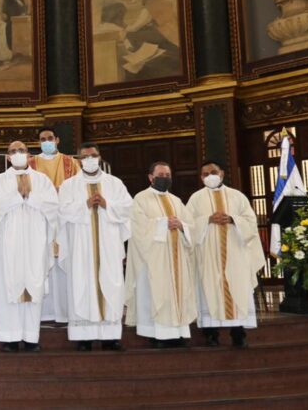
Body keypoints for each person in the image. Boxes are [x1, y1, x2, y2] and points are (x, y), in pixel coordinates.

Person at [0, 141, 58, 352]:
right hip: (9, 243)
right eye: (13, 151)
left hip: (35, 241)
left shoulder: (42, 180)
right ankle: (9, 337)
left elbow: (53, 207)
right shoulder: (0, 180)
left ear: (28, 155)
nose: (18, 154)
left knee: (32, 286)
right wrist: (18, 196)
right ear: (8, 157)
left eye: (22, 151)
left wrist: (31, 197)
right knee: (8, 286)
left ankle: (30, 337)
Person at [58, 143, 132, 351]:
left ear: (99, 156)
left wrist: (108, 204)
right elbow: (62, 212)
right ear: (79, 160)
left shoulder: (114, 183)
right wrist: (86, 204)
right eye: (85, 156)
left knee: (110, 283)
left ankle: (111, 336)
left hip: (108, 243)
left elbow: (128, 208)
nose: (90, 159)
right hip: (81, 247)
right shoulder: (69, 185)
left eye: (93, 155)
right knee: (83, 284)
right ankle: (84, 336)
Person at [187, 161, 265, 348]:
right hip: (208, 255)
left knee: (237, 289)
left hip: (235, 254)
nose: (209, 176)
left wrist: (232, 219)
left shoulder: (237, 196)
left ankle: (238, 334)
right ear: (201, 177)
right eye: (205, 174)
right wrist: (207, 220)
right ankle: (210, 334)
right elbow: (188, 224)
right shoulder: (196, 198)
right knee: (209, 290)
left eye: (213, 172)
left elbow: (250, 222)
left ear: (221, 173)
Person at [126, 162, 197, 347]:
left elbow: (190, 225)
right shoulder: (141, 199)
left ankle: (178, 334)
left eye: (167, 175)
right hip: (153, 259)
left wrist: (181, 226)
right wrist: (163, 222)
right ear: (151, 177)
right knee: (156, 294)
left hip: (176, 258)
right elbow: (137, 227)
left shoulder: (176, 200)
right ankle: (156, 335)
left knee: (177, 294)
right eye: (161, 174)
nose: (164, 178)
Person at [29, 127, 80, 324]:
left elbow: (78, 188)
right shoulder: (31, 164)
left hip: (64, 219)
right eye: (43, 139)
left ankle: (65, 312)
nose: (47, 141)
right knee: (42, 264)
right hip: (41, 220)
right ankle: (45, 313)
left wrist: (63, 192)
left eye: (50, 138)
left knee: (63, 265)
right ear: (39, 142)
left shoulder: (71, 163)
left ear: (57, 140)